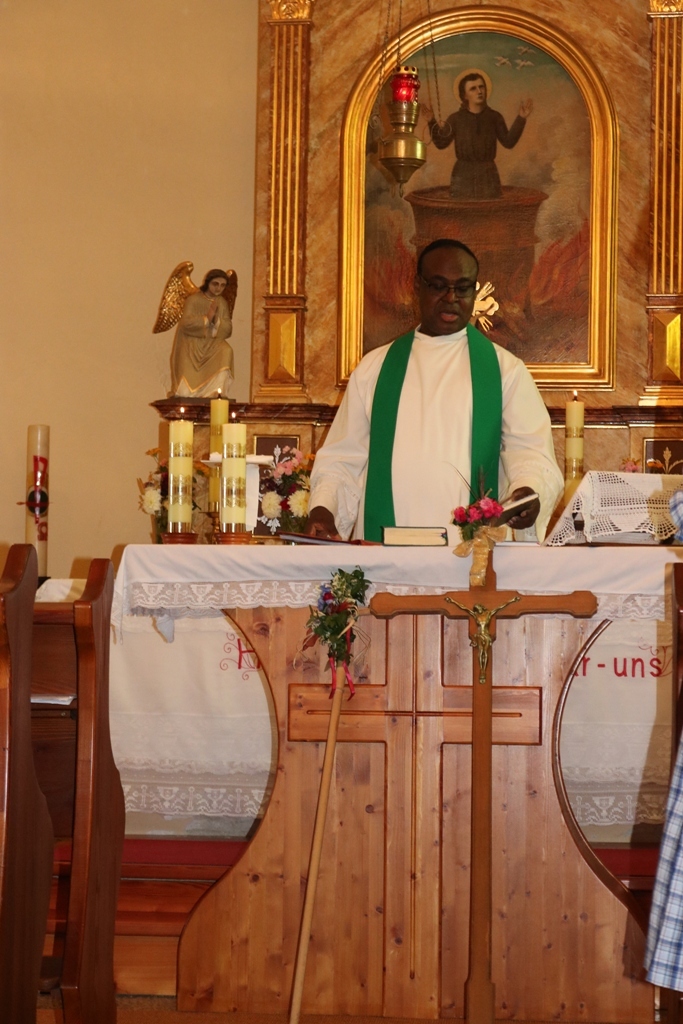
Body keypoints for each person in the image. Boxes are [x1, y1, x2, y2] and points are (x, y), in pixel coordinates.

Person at [306, 238, 563, 542]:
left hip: (472, 555)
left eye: (463, 288)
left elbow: (530, 453)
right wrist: (324, 509)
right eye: (439, 286)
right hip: (385, 550)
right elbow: (342, 459)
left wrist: (527, 492)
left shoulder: (505, 371)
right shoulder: (374, 369)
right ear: (418, 286)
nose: (451, 298)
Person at [424, 73, 532, 200]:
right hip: (462, 176)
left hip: (488, 176)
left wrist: (521, 119)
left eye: (481, 87)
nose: (479, 91)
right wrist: (431, 121)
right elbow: (441, 143)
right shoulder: (456, 119)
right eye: (473, 89)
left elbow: (508, 142)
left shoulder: (495, 117)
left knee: (489, 209)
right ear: (465, 95)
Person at [170, 269, 234, 397]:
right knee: (185, 392)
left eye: (222, 285)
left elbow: (228, 329)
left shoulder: (222, 303)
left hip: (213, 343)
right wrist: (206, 319)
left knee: (226, 350)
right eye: (215, 284)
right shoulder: (193, 300)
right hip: (190, 344)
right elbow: (185, 324)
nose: (218, 288)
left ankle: (215, 391)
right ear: (208, 282)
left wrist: (216, 321)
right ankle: (190, 393)